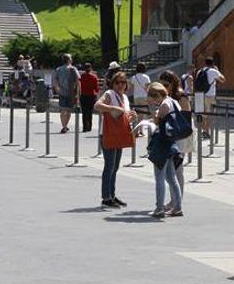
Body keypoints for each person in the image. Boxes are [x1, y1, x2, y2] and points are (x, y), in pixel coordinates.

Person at [142, 82, 184, 218]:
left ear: (157, 96)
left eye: (153, 99)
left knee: (159, 177)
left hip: (162, 143)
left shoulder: (165, 104)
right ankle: (178, 207)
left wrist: (155, 115)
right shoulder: (173, 102)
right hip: (171, 143)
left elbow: (157, 121)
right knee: (171, 177)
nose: (153, 102)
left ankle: (159, 208)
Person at [95, 71, 136, 208]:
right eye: (117, 82)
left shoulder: (124, 97)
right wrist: (113, 108)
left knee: (115, 167)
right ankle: (106, 197)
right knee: (109, 166)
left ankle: (111, 195)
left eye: (123, 82)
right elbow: (97, 105)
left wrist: (131, 116)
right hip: (108, 133)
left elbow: (124, 115)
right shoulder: (109, 94)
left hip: (119, 133)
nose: (120, 85)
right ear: (112, 83)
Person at [159, 70, 194, 201]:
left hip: (181, 135)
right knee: (172, 169)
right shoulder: (165, 96)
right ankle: (174, 200)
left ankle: (176, 201)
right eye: (161, 85)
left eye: (166, 85)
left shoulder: (181, 96)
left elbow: (185, 118)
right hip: (171, 134)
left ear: (173, 83)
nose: (164, 88)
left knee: (177, 169)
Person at [193, 57, 225, 138]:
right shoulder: (213, 71)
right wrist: (217, 70)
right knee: (210, 114)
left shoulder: (200, 71)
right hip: (209, 95)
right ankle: (207, 132)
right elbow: (223, 80)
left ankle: (204, 131)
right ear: (213, 64)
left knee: (202, 114)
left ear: (205, 63)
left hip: (200, 94)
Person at [53, 54, 80, 134]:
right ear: (68, 60)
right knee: (68, 110)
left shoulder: (58, 69)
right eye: (71, 58)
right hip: (71, 92)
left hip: (62, 92)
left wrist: (57, 88)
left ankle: (64, 126)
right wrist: (78, 92)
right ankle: (65, 126)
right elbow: (78, 81)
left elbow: (55, 80)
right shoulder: (73, 69)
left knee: (62, 109)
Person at [79, 63, 100, 132]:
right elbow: (96, 88)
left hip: (83, 95)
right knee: (90, 112)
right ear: (90, 68)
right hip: (91, 96)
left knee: (84, 112)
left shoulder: (82, 76)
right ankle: (89, 127)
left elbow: (79, 85)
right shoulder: (94, 77)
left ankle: (84, 127)